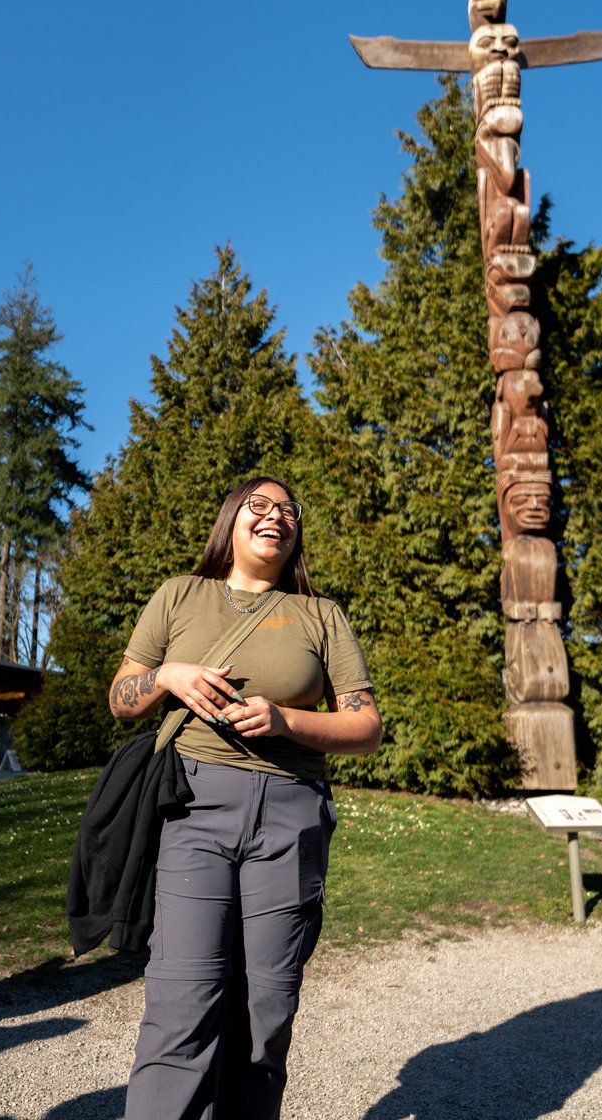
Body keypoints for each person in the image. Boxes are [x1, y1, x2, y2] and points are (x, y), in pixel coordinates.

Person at [110, 476, 383, 1120]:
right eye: (259, 506)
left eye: (288, 510)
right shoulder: (180, 595)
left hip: (292, 815)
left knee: (267, 1010)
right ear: (231, 521)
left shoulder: (323, 615)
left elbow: (366, 727)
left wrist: (287, 722)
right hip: (193, 808)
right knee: (183, 1002)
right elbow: (121, 697)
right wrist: (167, 675)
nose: (275, 516)